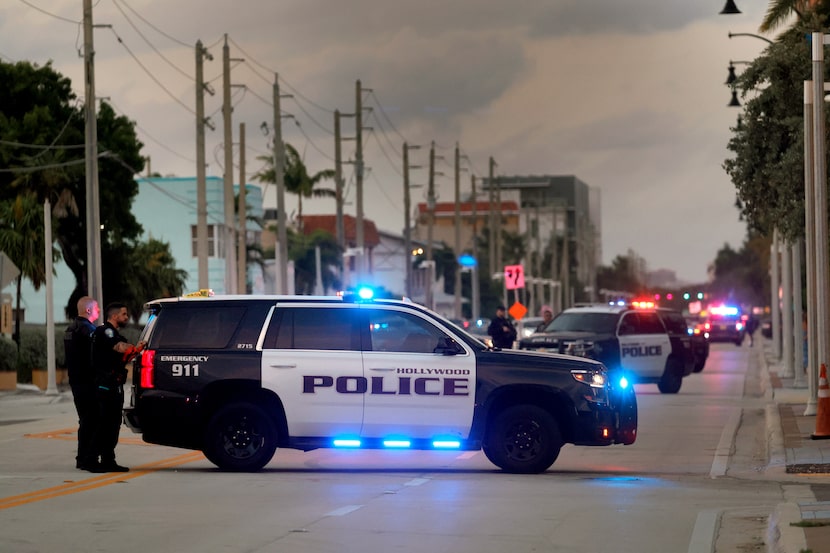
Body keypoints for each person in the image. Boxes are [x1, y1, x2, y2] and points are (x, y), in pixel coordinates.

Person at [91, 302, 145, 473]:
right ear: (114, 316)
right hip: (105, 385)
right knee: (103, 424)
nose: (126, 318)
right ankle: (92, 460)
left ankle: (108, 460)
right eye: (124, 314)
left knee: (113, 424)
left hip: (115, 385)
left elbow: (125, 356)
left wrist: (136, 350)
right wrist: (134, 348)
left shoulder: (114, 334)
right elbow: (120, 348)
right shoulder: (105, 331)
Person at [64, 296, 101, 472]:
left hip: (76, 382)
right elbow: (96, 356)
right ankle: (90, 460)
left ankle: (82, 458)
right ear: (88, 310)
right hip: (88, 382)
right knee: (93, 420)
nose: (99, 311)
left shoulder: (70, 329)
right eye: (96, 308)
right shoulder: (88, 330)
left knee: (85, 420)